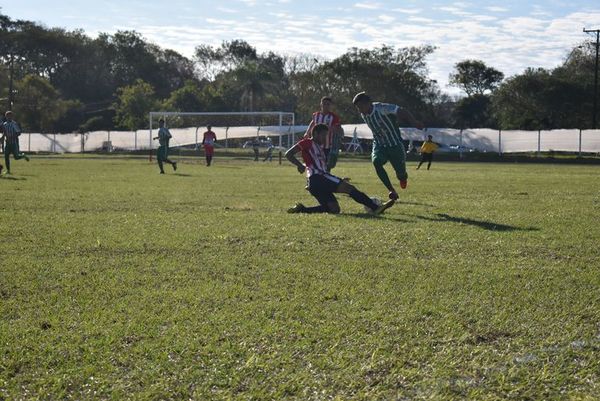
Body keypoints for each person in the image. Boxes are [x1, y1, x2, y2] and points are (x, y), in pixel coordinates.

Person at [286, 123, 394, 215]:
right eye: (323, 135)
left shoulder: (320, 149)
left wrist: (339, 179)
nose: (325, 138)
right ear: (315, 134)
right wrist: (299, 165)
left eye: (326, 135)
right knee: (350, 188)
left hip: (315, 183)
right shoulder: (307, 142)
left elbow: (322, 170)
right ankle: (375, 207)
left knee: (334, 209)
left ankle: (302, 209)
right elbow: (289, 154)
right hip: (317, 178)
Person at [352, 92, 424, 201]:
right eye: (357, 107)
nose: (359, 110)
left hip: (395, 145)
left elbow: (401, 111)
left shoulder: (381, 108)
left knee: (401, 175)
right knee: (376, 162)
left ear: (368, 103)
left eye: (360, 106)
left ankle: (402, 178)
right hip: (379, 145)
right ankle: (391, 190)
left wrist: (414, 122)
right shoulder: (364, 114)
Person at [304, 97, 344, 171]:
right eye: (324, 104)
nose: (326, 106)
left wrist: (327, 129)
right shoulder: (316, 115)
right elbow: (313, 122)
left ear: (330, 106)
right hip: (315, 144)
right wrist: (307, 132)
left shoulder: (333, 117)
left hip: (327, 146)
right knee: (314, 163)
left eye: (328, 104)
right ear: (321, 104)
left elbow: (337, 128)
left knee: (326, 165)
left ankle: (326, 178)